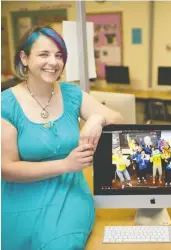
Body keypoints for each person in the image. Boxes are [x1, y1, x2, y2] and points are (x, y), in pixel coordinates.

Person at [1, 25, 123, 250]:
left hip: (68, 195)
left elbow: (117, 118)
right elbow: (7, 169)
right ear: (24, 58)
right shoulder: (6, 104)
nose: (53, 62)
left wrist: (96, 119)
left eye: (59, 55)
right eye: (44, 54)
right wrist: (66, 164)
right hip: (20, 197)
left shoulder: (72, 93)